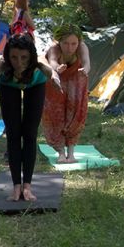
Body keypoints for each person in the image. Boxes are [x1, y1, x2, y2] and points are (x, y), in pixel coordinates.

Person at [0, 35, 54, 202]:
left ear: (31, 56)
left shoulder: (37, 62)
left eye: (24, 57)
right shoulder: (4, 64)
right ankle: (16, 187)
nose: (19, 62)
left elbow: (50, 71)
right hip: (8, 86)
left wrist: (55, 77)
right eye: (14, 57)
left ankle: (27, 187)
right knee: (13, 134)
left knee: (30, 134)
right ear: (8, 56)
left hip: (35, 85)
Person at [42, 24, 91, 163]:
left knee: (76, 113)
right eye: (66, 43)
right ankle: (61, 153)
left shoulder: (82, 47)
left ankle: (71, 152)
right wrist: (58, 67)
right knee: (55, 113)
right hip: (56, 78)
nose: (70, 48)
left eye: (73, 43)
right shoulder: (54, 49)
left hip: (77, 77)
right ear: (59, 41)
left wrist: (85, 70)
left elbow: (87, 63)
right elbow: (52, 62)